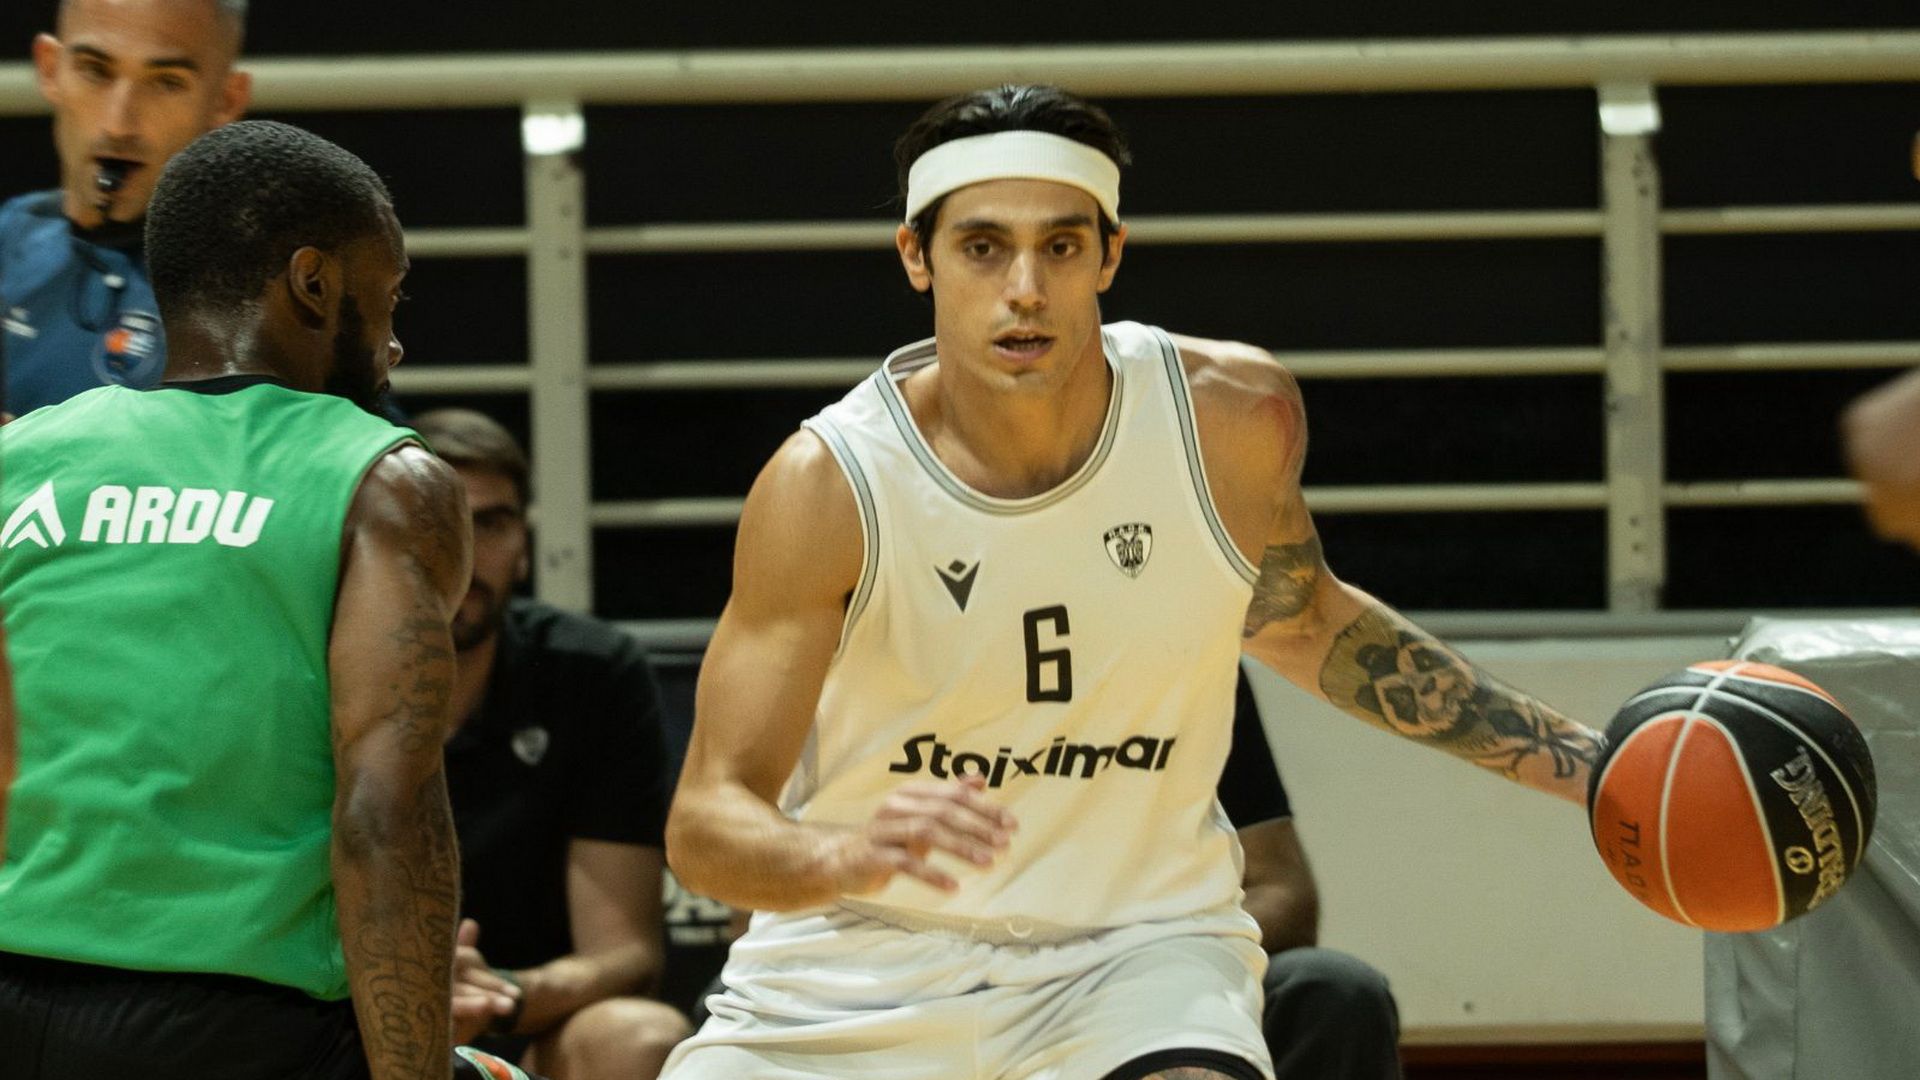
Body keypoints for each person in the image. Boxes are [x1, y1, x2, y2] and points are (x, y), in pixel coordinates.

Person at [662, 84, 1604, 1080]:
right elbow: (705, 824)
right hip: (854, 969)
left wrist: (1596, 767)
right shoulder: (828, 486)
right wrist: (841, 855)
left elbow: (1309, 623)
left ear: (1110, 255)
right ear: (916, 256)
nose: (1025, 288)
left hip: (1131, 959)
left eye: (1062, 247)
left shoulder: (1228, 418)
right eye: (982, 247)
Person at [0, 119, 516, 1080]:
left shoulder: (21, 458)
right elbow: (387, 816)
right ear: (313, 282)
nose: (395, 339)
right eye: (388, 295)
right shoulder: (385, 480)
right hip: (236, 1030)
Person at [410, 407, 692, 1079]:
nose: (465, 552)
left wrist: (502, 995)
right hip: (349, 1020)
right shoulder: (312, 670)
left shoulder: (589, 672)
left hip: (529, 1024)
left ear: (525, 546)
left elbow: (628, 955)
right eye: (438, 521)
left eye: (492, 524)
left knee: (641, 1036)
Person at [0, 0, 251, 417]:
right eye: (95, 71)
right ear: (49, 68)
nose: (118, 125)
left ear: (225, 100)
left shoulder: (269, 299)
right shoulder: (8, 241)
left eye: (166, 82)